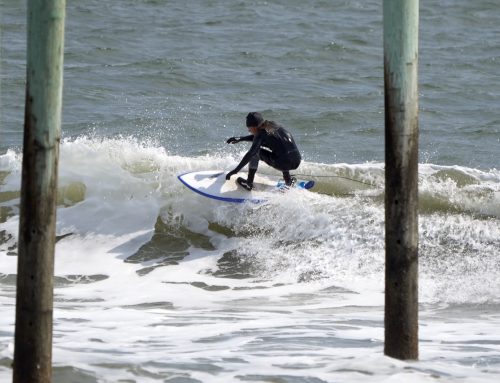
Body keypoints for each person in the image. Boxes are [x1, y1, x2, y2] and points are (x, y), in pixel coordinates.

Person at [225, 112, 301, 191]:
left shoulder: (261, 134)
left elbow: (251, 153)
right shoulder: (273, 125)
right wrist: (241, 139)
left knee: (255, 153)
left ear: (254, 127)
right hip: (297, 160)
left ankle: (249, 183)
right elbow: (258, 138)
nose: (249, 130)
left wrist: (235, 170)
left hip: (284, 164)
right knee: (282, 152)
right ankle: (288, 181)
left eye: (249, 129)